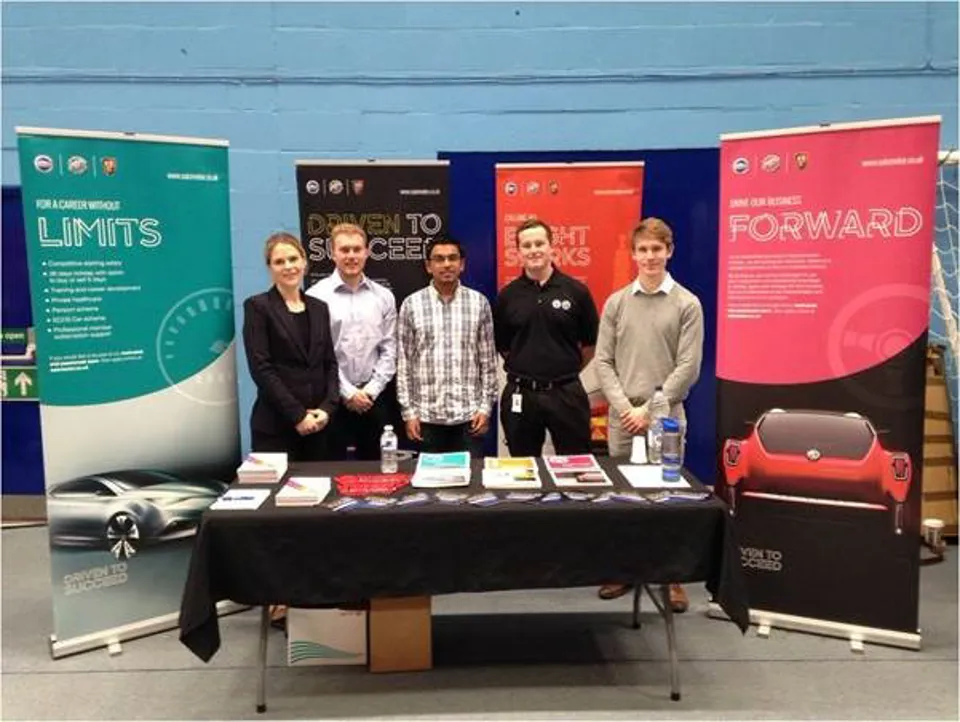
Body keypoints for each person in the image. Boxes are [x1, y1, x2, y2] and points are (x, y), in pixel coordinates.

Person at [594, 217, 704, 611]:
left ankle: (670, 575)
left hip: (666, 416)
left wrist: (651, 409)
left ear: (669, 251)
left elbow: (688, 366)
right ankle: (625, 570)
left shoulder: (687, 304)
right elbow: (603, 362)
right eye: (643, 249)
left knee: (666, 497)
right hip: (623, 417)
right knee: (623, 495)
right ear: (634, 254)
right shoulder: (617, 303)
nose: (650, 256)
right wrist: (626, 408)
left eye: (657, 249)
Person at [493, 217, 599, 456]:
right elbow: (505, 347)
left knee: (576, 467)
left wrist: (561, 371)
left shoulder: (576, 291)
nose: (534, 250)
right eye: (527, 245)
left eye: (539, 243)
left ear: (551, 247)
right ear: (519, 251)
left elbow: (590, 344)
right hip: (521, 394)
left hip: (566, 393)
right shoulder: (507, 296)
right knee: (523, 469)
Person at [242, 231, 339, 462]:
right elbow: (261, 368)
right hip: (277, 427)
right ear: (270, 268)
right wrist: (297, 416)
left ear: (304, 262)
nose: (288, 266)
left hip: (318, 426)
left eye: (293, 259)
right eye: (279, 261)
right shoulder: (257, 307)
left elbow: (330, 363)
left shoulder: (319, 308)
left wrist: (327, 408)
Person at [305, 222, 397, 460]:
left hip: (374, 398)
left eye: (357, 249)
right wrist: (347, 392)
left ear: (367, 252)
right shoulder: (315, 296)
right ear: (332, 253)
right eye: (344, 250)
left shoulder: (384, 297)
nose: (351, 256)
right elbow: (318, 354)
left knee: (379, 473)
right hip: (332, 399)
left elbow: (389, 349)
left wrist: (370, 391)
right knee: (330, 470)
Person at [397, 237, 497, 455]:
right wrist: (409, 412)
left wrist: (485, 408)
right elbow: (404, 363)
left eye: (453, 258)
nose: (446, 264)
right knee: (430, 486)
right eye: (439, 259)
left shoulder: (479, 303)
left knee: (472, 486)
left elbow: (488, 362)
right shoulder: (411, 305)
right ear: (428, 266)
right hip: (426, 418)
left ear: (462, 264)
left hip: (470, 418)